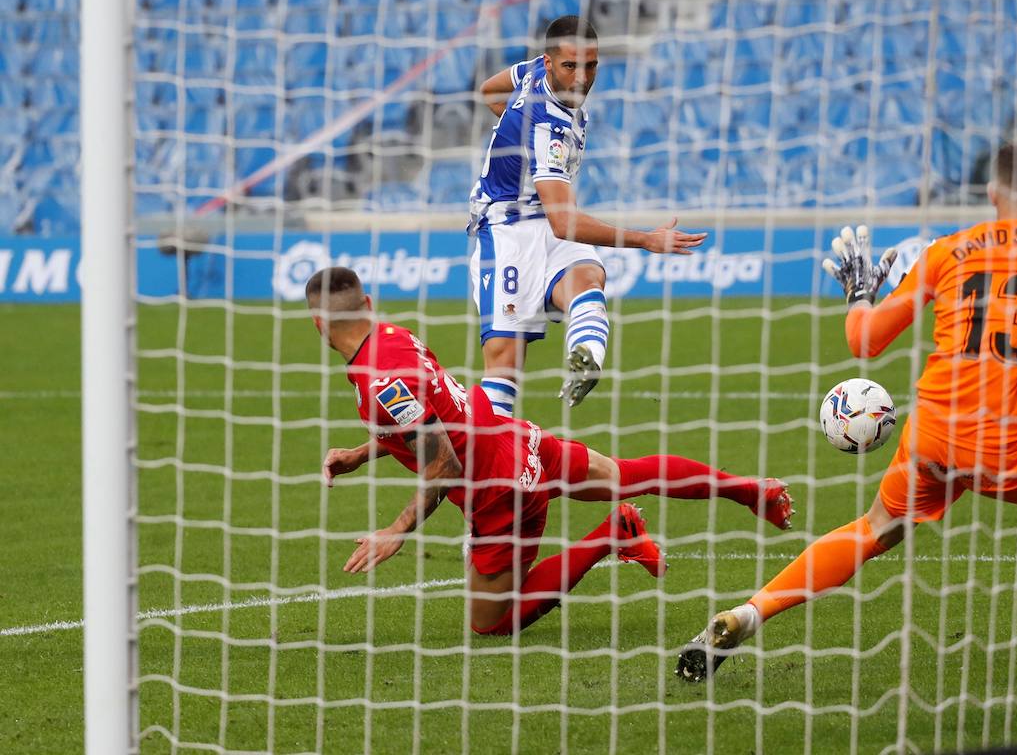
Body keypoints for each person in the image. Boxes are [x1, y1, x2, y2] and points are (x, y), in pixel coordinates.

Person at [678, 143, 1017, 681]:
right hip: (1009, 449)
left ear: (992, 192)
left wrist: (861, 293)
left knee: (876, 527)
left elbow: (865, 341)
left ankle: (749, 612)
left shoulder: (947, 250)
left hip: (932, 435)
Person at [309, 266, 792, 635]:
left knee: (489, 622)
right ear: (367, 303)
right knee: (625, 473)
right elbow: (428, 419)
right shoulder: (393, 338)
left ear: (318, 324)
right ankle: (750, 490)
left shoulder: (376, 380)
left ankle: (614, 534)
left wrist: (396, 530)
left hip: (497, 491)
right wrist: (359, 453)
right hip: (512, 436)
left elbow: (443, 461)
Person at [468, 15, 706, 415]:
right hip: (508, 230)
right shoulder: (547, 129)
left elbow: (488, 90)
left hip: (546, 216)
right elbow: (565, 223)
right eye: (571, 66)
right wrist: (646, 240)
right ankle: (490, 463)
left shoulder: (531, 73)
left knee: (588, 277)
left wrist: (513, 132)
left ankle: (586, 357)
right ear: (549, 63)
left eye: (591, 65)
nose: (582, 77)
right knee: (505, 366)